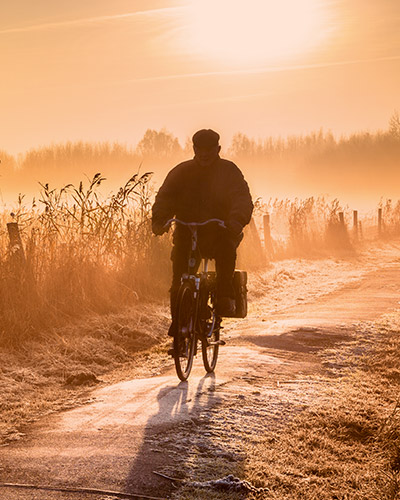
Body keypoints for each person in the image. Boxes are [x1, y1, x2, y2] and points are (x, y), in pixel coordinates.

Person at [152, 129, 253, 335]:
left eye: (209, 150)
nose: (205, 154)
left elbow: (241, 198)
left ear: (218, 149)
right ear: (194, 149)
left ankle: (224, 295)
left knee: (226, 251)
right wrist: (159, 220)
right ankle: (179, 323)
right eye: (201, 149)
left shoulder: (229, 171)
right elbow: (165, 198)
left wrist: (236, 221)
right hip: (186, 232)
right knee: (179, 278)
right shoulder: (181, 172)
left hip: (220, 231)